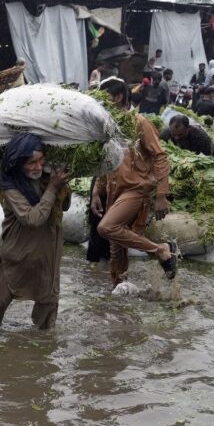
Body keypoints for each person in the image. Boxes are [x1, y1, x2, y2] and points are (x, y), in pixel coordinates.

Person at [0, 134, 70, 330]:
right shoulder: (10, 188)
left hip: (46, 254)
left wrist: (61, 184)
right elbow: (32, 219)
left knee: (48, 305)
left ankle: (41, 350)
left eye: (40, 161)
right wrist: (53, 188)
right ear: (18, 164)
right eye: (31, 162)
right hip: (15, 254)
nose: (37, 167)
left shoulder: (48, 178)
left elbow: (66, 206)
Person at [93, 78, 177, 286]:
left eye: (105, 98)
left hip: (136, 188)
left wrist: (161, 194)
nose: (101, 103)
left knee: (106, 228)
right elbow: (105, 161)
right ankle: (120, 290)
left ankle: (161, 250)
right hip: (114, 189)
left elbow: (160, 156)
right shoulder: (108, 127)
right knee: (116, 248)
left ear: (118, 97)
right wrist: (97, 191)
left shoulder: (139, 123)